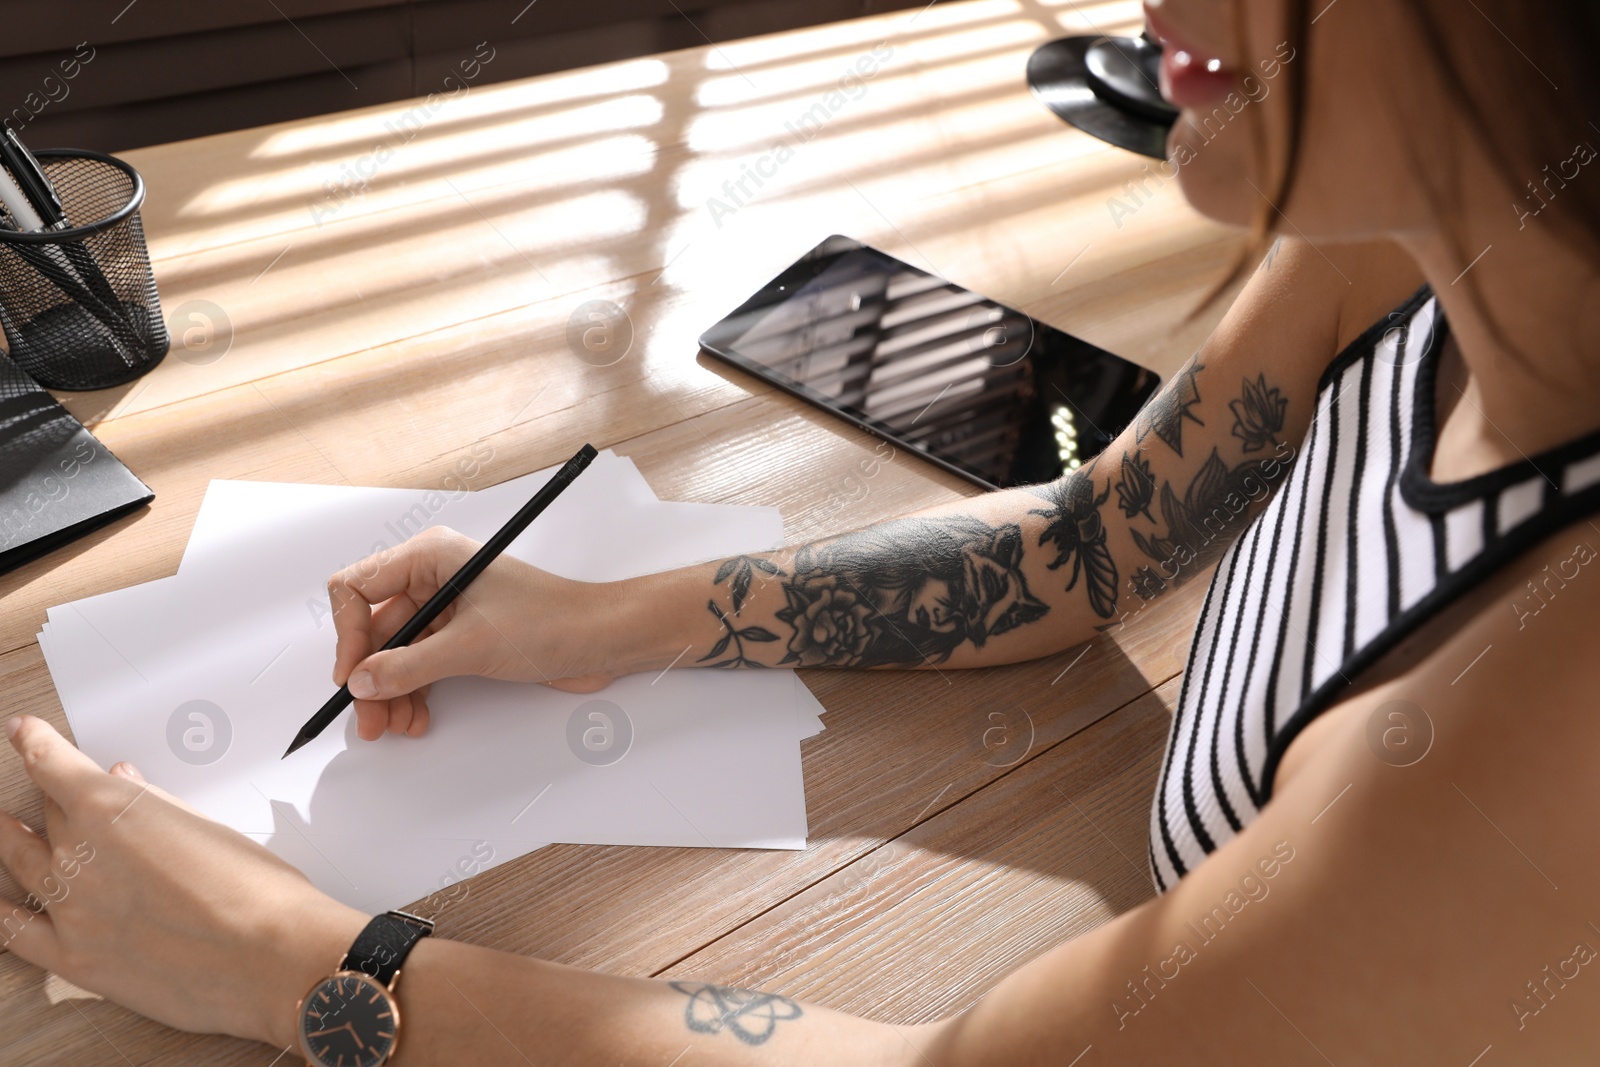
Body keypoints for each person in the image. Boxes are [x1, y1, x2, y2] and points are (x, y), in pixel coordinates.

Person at [4, 0, 1598, 1061]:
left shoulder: (1555, 732)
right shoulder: (1426, 221)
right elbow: (1092, 545)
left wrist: (307, 963)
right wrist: (595, 617)